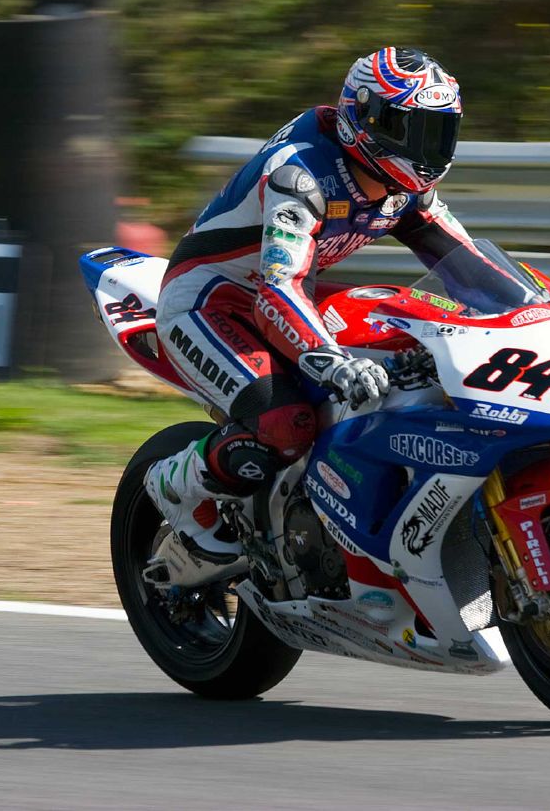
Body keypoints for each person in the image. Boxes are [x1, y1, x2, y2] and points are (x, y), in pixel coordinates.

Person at [146, 46, 481, 561]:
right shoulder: (299, 174)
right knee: (286, 425)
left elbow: (470, 265)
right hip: (210, 301)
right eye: (413, 130)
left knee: (413, 347)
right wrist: (333, 361)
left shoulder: (402, 186)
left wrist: (542, 311)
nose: (428, 149)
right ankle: (174, 484)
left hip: (291, 292)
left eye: (438, 132)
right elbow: (277, 288)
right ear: (366, 120)